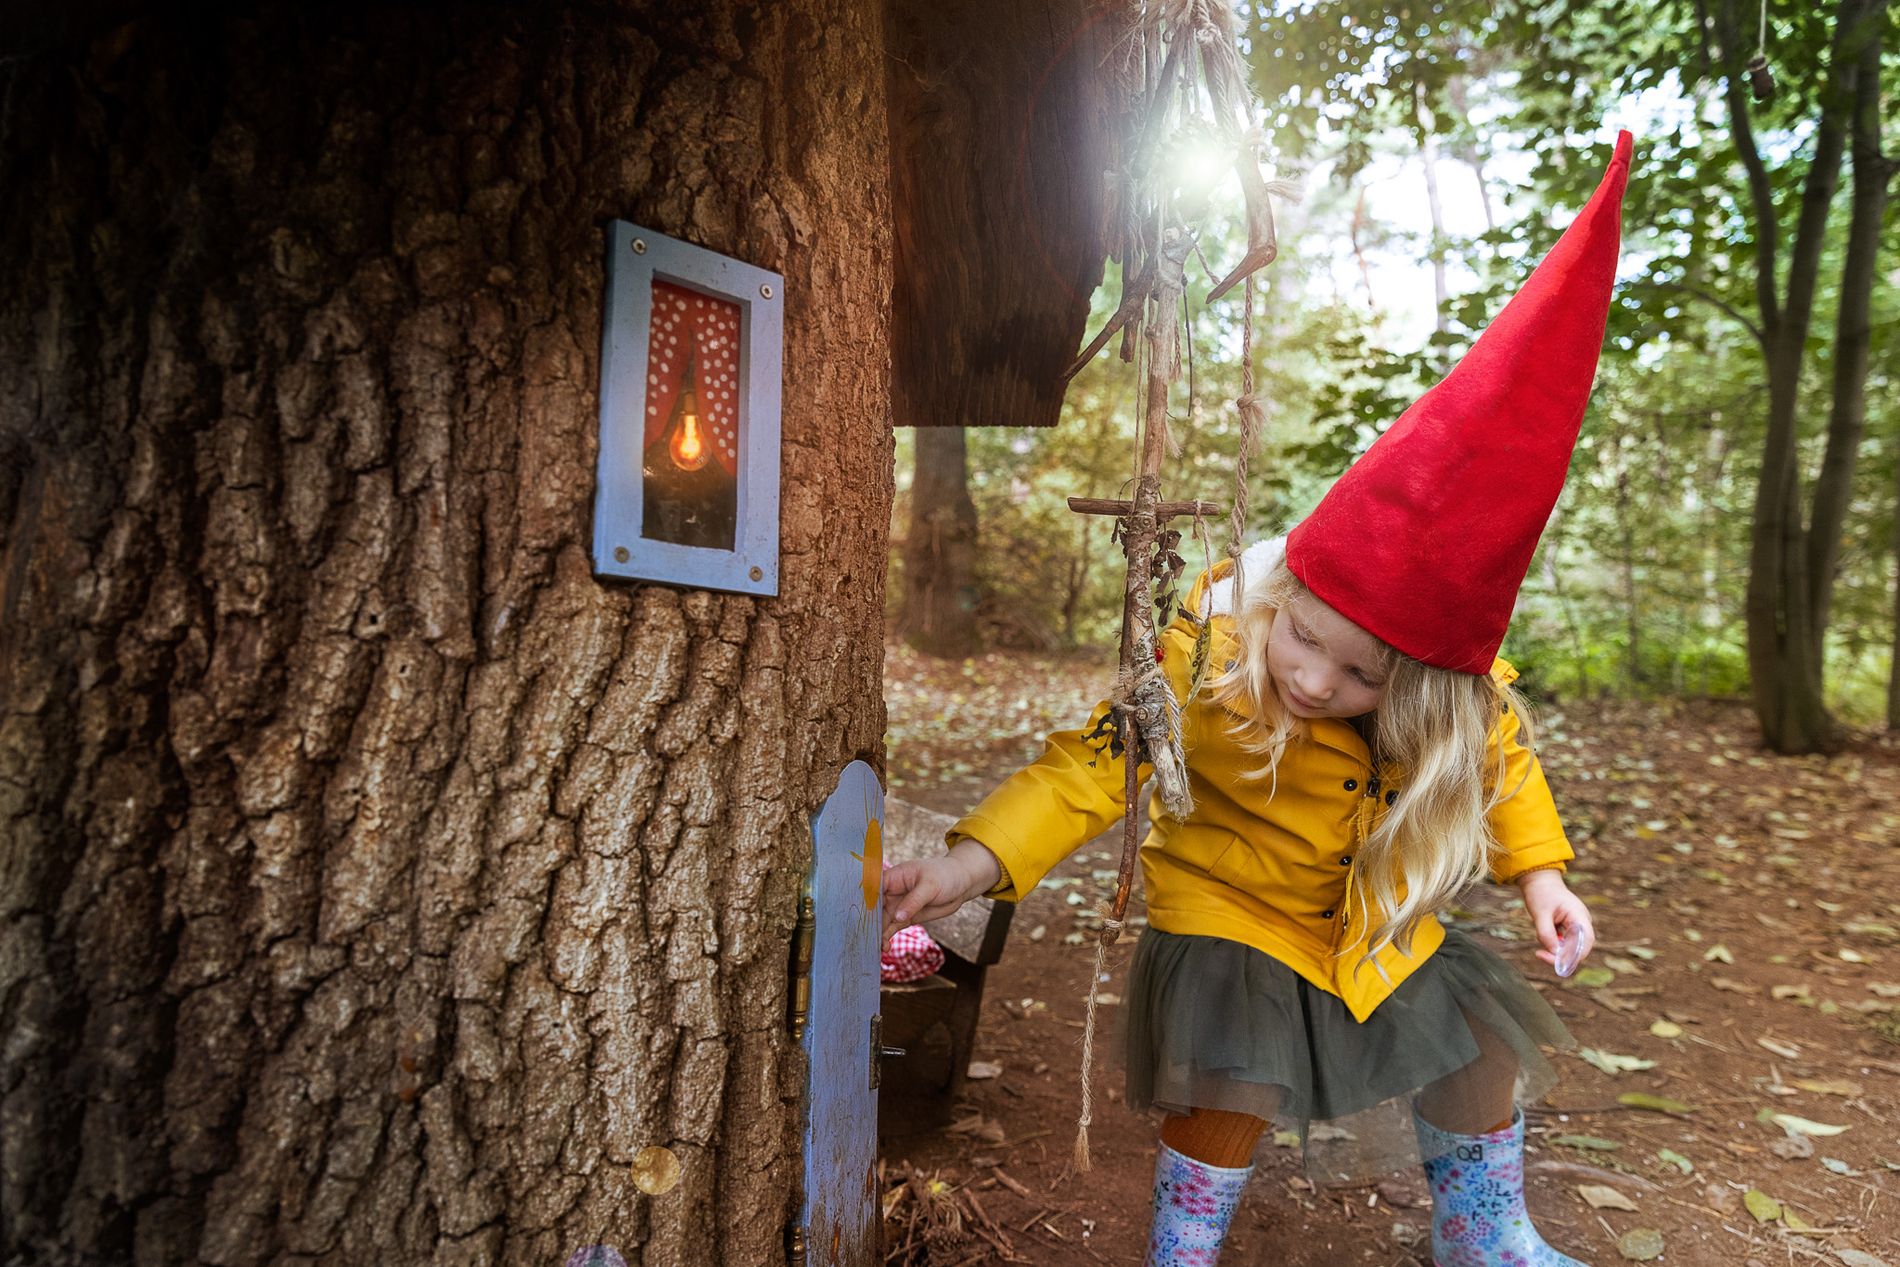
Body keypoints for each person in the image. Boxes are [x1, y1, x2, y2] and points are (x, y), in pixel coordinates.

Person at [882, 133, 1634, 1266]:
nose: (1312, 678)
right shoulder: (1211, 648)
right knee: (1230, 1072)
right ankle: (1183, 1246)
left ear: (1419, 684)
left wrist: (1542, 875)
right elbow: (1096, 764)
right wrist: (967, 865)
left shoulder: (1449, 710)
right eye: (1304, 638)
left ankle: (1486, 1236)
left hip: (1364, 919)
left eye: (1359, 678)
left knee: (1475, 1035)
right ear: (1280, 594)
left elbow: (1500, 762)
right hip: (1229, 908)